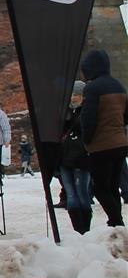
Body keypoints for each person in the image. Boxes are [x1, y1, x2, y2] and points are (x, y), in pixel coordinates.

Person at [79, 49, 126, 228]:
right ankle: (116, 224)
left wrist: (87, 140)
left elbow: (88, 118)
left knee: (99, 188)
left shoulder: (92, 88)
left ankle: (117, 222)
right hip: (120, 143)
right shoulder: (119, 85)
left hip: (101, 145)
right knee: (112, 187)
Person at [60, 81, 94, 233]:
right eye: (71, 95)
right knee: (71, 195)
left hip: (81, 158)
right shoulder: (65, 112)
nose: (73, 98)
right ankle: (77, 229)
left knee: (82, 193)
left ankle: (85, 228)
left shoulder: (87, 111)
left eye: (76, 95)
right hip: (65, 158)